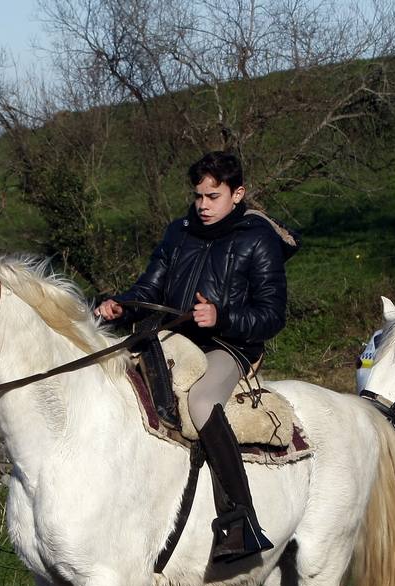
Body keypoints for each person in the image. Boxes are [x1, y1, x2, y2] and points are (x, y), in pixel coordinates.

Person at [97, 151, 299, 562]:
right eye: (198, 196)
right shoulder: (179, 232)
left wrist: (220, 317)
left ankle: (240, 520)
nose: (203, 205)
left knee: (202, 401)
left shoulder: (257, 240)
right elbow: (148, 291)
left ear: (237, 193)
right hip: (170, 341)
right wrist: (122, 307)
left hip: (229, 346)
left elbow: (272, 315)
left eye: (213, 196)